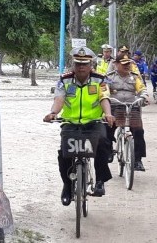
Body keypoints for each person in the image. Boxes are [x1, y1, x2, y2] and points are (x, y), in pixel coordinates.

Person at [43, 47, 114, 206]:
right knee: (64, 154)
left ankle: (100, 181)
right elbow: (59, 99)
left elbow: (104, 98)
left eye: (85, 64)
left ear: (91, 65)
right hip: (70, 123)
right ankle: (67, 186)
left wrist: (108, 114)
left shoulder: (100, 79)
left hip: (93, 122)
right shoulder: (64, 80)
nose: (81, 67)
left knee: (102, 143)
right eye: (78, 64)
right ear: (73, 64)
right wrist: (53, 113)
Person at [106, 54, 150, 171]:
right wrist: (105, 99)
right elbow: (104, 90)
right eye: (124, 64)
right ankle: (109, 150)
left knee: (138, 131)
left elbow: (141, 89)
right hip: (115, 107)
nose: (127, 66)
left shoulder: (135, 77)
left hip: (132, 107)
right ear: (116, 64)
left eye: (128, 64)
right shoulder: (109, 77)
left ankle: (137, 160)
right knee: (107, 130)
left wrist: (144, 97)